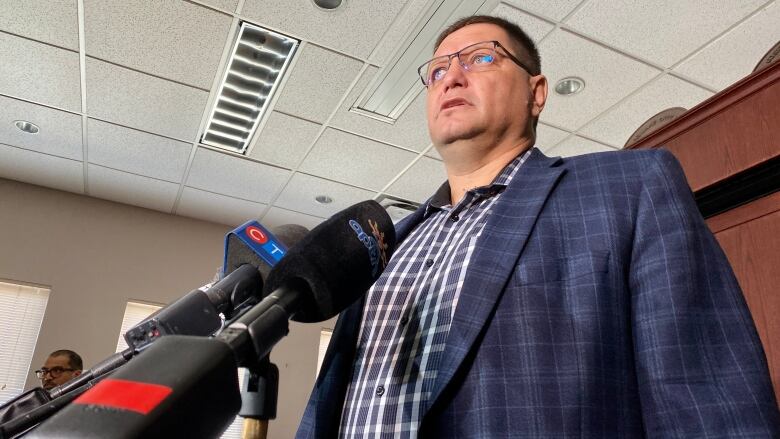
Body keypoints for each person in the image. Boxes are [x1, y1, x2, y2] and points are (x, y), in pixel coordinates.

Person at [297, 15, 779, 438]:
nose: (452, 77)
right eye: (438, 69)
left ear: (537, 92)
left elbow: (707, 402)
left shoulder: (631, 188)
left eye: (480, 58)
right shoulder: (382, 244)